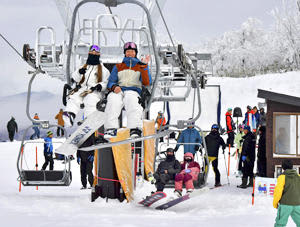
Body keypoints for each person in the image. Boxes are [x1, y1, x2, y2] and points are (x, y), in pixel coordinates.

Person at [104, 41, 152, 138]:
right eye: (128, 51)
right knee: (113, 99)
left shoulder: (140, 66)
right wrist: (114, 87)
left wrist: (144, 66)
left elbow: (147, 82)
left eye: (132, 51)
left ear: (135, 53)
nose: (130, 53)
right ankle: (111, 129)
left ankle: (134, 128)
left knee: (132, 100)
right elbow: (110, 82)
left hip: (133, 90)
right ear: (125, 53)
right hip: (120, 90)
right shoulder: (118, 66)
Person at [63, 44, 110, 127]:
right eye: (92, 52)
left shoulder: (103, 70)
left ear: (99, 55)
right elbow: (75, 78)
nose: (94, 54)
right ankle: (70, 115)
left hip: (94, 91)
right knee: (74, 97)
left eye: (96, 53)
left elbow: (106, 83)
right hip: (82, 89)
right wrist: (79, 73)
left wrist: (99, 86)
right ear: (89, 53)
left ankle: (89, 118)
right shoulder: (83, 66)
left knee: (90, 100)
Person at [273, 159, 300, 227]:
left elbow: (278, 191)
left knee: (280, 224)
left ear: (283, 167)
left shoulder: (282, 177)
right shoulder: (298, 177)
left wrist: (275, 203)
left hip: (285, 204)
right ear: (292, 166)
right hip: (297, 204)